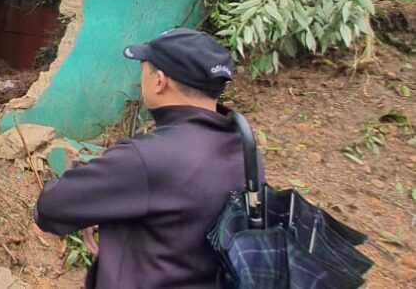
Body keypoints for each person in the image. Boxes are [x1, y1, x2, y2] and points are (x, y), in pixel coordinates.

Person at [34, 28, 256, 288]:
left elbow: (50, 206)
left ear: (159, 81)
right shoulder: (242, 145)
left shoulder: (149, 157)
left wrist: (102, 208)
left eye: (144, 69)